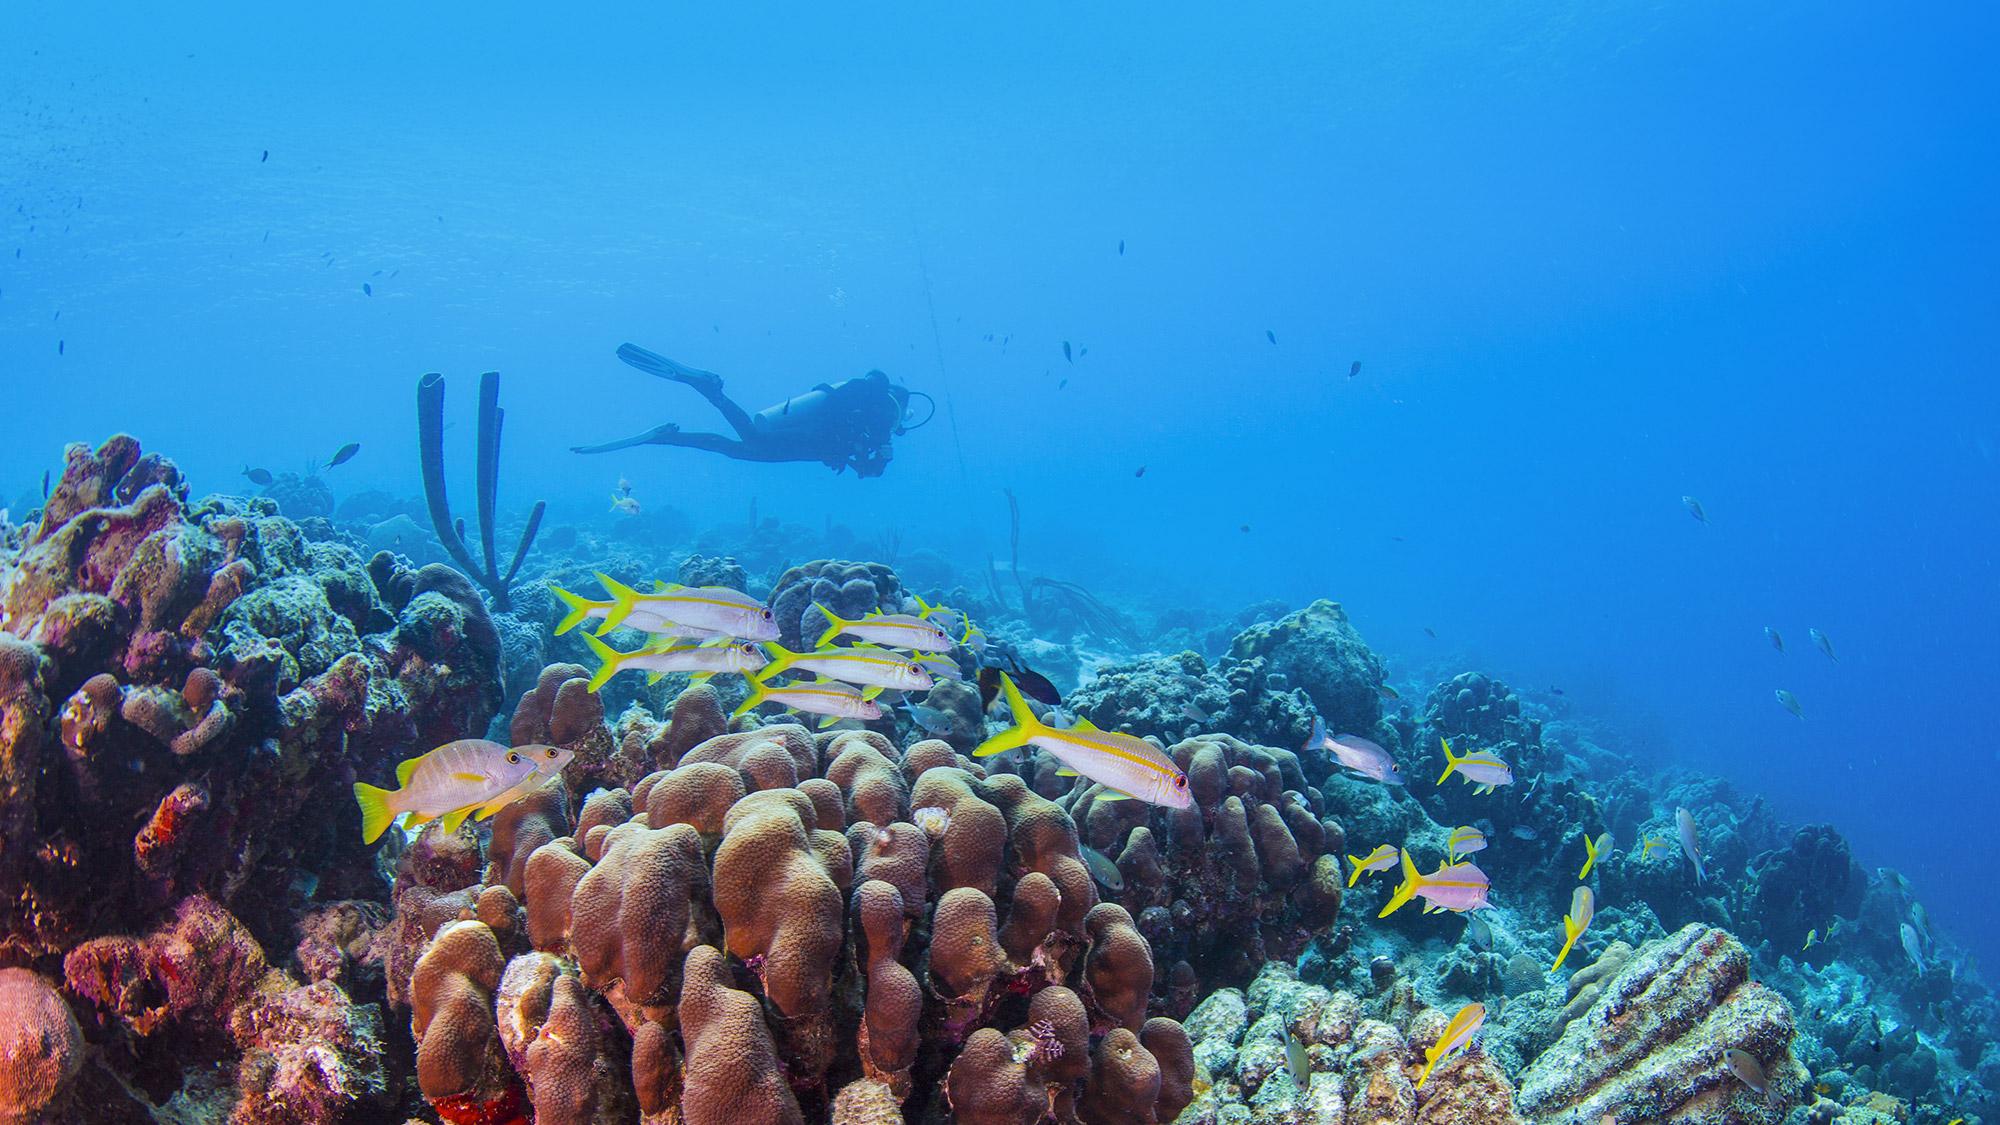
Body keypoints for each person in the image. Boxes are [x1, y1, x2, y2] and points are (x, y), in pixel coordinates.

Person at [572, 343, 930, 477]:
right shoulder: (883, 414)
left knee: (740, 449)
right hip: (815, 439)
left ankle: (667, 438)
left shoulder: (866, 401)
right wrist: (882, 456)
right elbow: (871, 470)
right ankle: (710, 390)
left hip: (813, 440)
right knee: (750, 441)